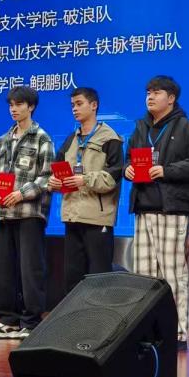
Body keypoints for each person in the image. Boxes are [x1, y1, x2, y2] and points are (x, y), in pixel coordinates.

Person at [123, 75, 189, 349]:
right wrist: (128, 169)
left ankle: (177, 333)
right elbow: (127, 158)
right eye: (148, 92)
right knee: (143, 276)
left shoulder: (186, 128)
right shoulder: (140, 127)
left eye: (156, 92)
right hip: (143, 207)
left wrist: (167, 171)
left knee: (172, 274)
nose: (150, 96)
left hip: (172, 210)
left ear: (171, 98)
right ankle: (147, 332)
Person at [0, 86, 54, 340]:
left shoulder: (42, 138)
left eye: (19, 104)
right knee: (2, 269)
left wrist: (21, 193)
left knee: (30, 269)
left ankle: (31, 322)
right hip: (2, 213)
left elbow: (47, 177)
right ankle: (8, 320)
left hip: (28, 213)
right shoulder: (2, 140)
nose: (14, 109)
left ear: (31, 107)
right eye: (11, 105)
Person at [48, 87, 123, 293]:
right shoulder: (71, 139)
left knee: (99, 277)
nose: (74, 108)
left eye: (79, 104)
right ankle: (75, 314)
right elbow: (56, 170)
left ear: (94, 105)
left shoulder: (111, 138)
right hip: (72, 216)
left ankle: (98, 315)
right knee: (72, 276)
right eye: (72, 105)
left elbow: (112, 178)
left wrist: (84, 179)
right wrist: (53, 182)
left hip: (97, 218)